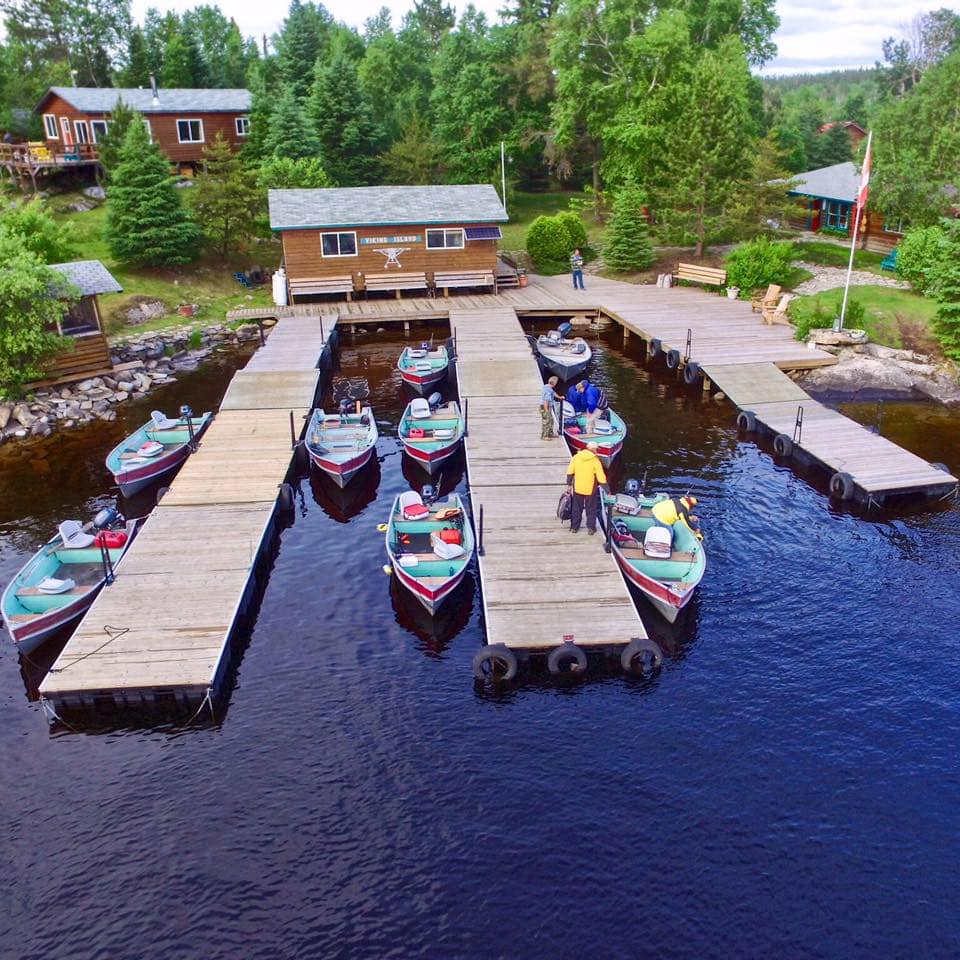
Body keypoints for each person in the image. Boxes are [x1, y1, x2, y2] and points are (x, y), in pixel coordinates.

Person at [565, 442, 607, 534]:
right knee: (591, 508)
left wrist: (568, 483)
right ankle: (591, 528)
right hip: (590, 489)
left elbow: (570, 471)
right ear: (593, 450)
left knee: (576, 508)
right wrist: (607, 490)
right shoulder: (595, 461)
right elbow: (601, 477)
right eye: (596, 449)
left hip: (578, 488)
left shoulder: (576, 457)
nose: (597, 451)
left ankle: (574, 527)